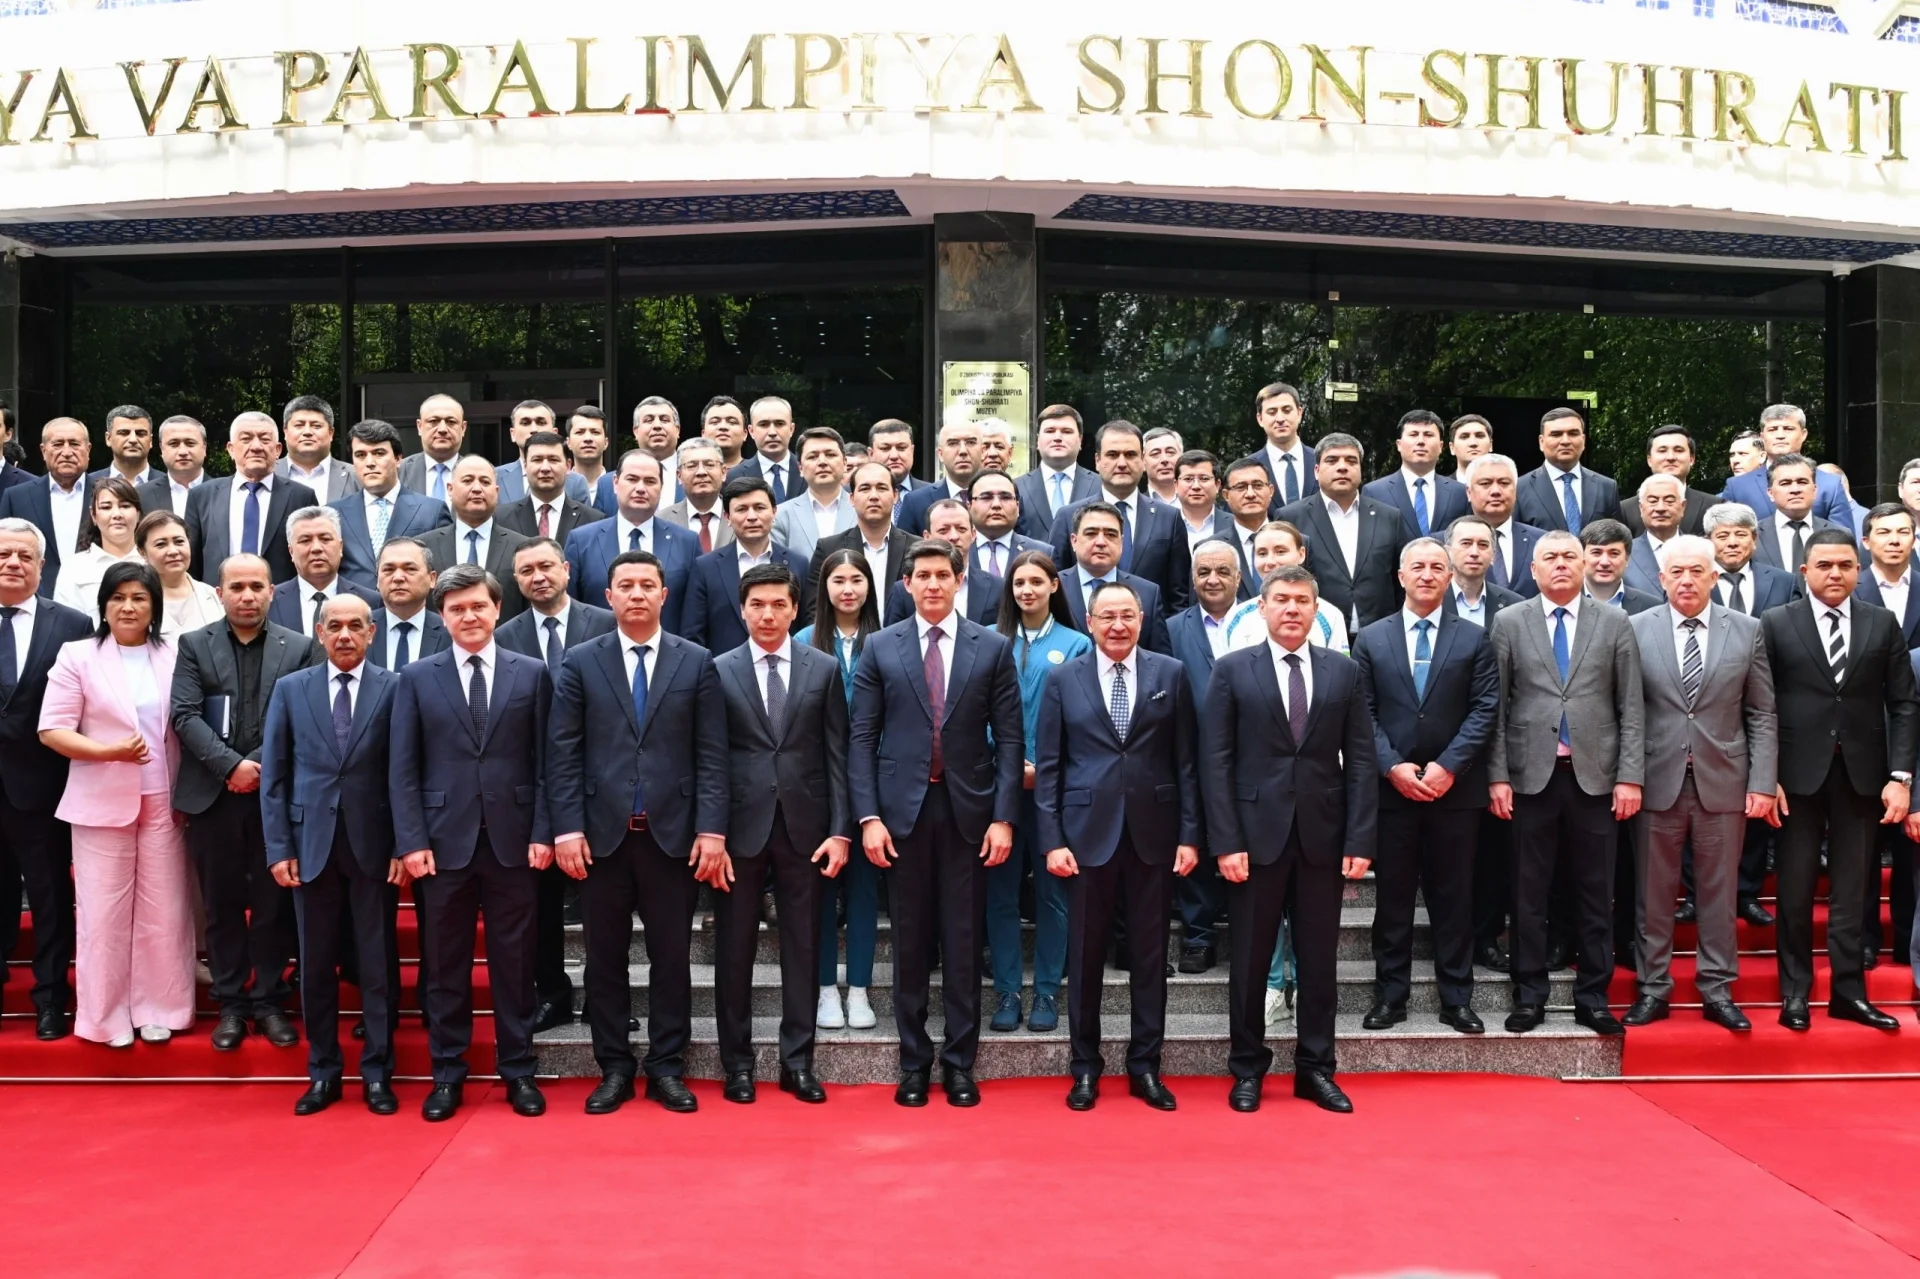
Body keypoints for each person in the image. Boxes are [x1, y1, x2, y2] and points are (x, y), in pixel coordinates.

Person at [548, 550, 727, 1115]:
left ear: (663, 594)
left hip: (672, 839)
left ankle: (667, 1067)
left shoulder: (696, 661)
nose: (637, 594)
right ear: (608, 597)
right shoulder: (581, 661)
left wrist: (712, 830)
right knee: (604, 959)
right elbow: (563, 753)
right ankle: (615, 1067)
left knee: (672, 958)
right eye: (625, 585)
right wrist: (567, 829)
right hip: (602, 839)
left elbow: (712, 754)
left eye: (647, 585)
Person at [851, 539, 1023, 1108]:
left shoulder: (992, 647)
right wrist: (869, 817)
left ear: (958, 580)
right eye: (921, 575)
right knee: (909, 941)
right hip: (900, 814)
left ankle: (959, 1063)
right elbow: (861, 738)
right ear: (906, 584)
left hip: (968, 813)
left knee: (964, 939)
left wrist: (1003, 817)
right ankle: (913, 1062)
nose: (932, 584)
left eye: (942, 575)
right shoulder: (880, 645)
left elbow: (1011, 741)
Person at [1202, 564, 1375, 1113]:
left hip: (1323, 838)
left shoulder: (1343, 672)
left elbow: (1362, 760)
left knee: (1319, 961)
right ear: (1262, 607)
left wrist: (1360, 839)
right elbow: (1215, 762)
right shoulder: (1232, 669)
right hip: (1253, 841)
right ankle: (1247, 1069)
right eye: (1281, 599)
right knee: (1251, 961)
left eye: (1302, 600)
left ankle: (1316, 1069)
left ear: (1316, 609)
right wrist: (1225, 841)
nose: (1292, 609)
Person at [392, 563, 554, 1121]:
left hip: (515, 842)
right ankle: (447, 1074)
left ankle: (519, 1071)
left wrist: (543, 831)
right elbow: (403, 768)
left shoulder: (532, 673)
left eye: (478, 606)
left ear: (497, 609)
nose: (469, 616)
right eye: (457, 609)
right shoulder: (417, 677)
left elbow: (547, 763)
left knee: (515, 964)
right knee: (445, 966)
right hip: (442, 846)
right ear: (441, 616)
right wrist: (411, 840)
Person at [1036, 579, 1198, 1110]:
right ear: (1089, 622)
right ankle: (1084, 1068)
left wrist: (1190, 835)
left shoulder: (1170, 674)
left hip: (1155, 835)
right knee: (1084, 959)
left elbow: (1186, 762)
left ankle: (1145, 1067)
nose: (1118, 625)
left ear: (1142, 620)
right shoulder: (1063, 678)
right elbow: (1051, 766)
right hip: (1085, 838)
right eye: (1107, 616)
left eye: (1127, 615)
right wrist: (1052, 839)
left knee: (1150, 958)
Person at [1487, 529, 1644, 1036]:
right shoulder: (1510, 621)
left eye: (1569, 556)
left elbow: (1631, 706)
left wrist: (1630, 777)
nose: (1560, 564)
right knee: (1527, 893)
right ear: (1533, 570)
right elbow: (1496, 707)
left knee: (1596, 891)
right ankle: (1529, 995)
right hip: (1529, 778)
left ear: (1584, 565)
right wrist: (1497, 776)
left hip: (1596, 779)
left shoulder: (1614, 621)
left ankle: (1593, 997)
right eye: (1549, 557)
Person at [1763, 529, 1918, 1032]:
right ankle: (1794, 992)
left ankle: (1849, 993)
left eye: (1845, 565)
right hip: (1794, 778)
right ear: (1804, 571)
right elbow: (1760, 704)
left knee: (1854, 891)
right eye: (1825, 565)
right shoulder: (1776, 622)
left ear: (1859, 570)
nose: (1835, 573)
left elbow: (1904, 703)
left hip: (1864, 777)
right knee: (1794, 889)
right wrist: (1766, 775)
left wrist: (1900, 777)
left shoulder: (1881, 622)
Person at [1623, 535, 1777, 1033]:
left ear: (1714, 577)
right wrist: (1627, 776)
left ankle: (1717, 988)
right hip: (1655, 781)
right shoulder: (1635, 628)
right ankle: (1653, 987)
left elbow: (1762, 713)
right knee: (1653, 893)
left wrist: (1763, 782)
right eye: (1677, 572)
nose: (1686, 580)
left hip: (1724, 781)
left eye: (1696, 571)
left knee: (1719, 891)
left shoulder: (1747, 630)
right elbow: (1626, 710)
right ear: (1661, 578)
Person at [37, 561, 195, 1047]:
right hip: (100, 800)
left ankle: (160, 1007)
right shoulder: (78, 655)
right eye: (118, 597)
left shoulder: (175, 653)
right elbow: (52, 729)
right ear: (104, 606)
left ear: (155, 606)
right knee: (102, 913)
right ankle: (105, 1016)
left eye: (139, 598)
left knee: (165, 909)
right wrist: (110, 752)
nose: (128, 607)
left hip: (164, 799)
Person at [711, 563, 851, 1103]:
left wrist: (840, 830)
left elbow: (837, 755)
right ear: (742, 610)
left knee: (804, 948)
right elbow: (709, 759)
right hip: (737, 832)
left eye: (778, 604)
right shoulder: (718, 669)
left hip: (806, 829)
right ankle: (737, 1065)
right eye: (757, 604)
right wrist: (712, 834)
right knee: (734, 951)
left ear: (795, 610)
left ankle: (798, 1063)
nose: (767, 614)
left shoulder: (824, 668)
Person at [260, 594, 405, 1115]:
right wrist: (279, 846)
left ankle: (378, 1073)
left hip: (374, 847)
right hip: (309, 847)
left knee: (376, 965)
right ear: (320, 633)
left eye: (355, 626)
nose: (345, 635)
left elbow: (404, 772)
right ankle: (323, 1072)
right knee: (316, 965)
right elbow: (275, 776)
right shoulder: (291, 688)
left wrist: (402, 844)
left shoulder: (395, 688)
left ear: (371, 633)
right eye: (335, 626)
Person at [171, 553, 322, 1051]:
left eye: (257, 586)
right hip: (213, 797)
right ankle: (232, 1004)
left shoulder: (299, 647)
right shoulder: (194, 645)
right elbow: (185, 714)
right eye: (236, 587)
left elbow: (302, 716)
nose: (247, 595)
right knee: (222, 905)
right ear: (219, 593)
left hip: (274, 796)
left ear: (272, 592)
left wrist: (254, 765)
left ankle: (271, 1001)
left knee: (273, 905)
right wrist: (229, 767)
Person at [1353, 537, 1499, 1035]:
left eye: (1438, 567)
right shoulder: (1372, 638)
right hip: (1392, 794)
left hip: (1454, 794)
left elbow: (1485, 709)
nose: (1427, 575)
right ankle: (1390, 997)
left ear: (1450, 576)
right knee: (1392, 901)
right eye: (1417, 567)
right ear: (1400, 576)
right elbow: (1362, 714)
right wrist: (1392, 767)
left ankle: (1456, 999)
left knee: (1453, 900)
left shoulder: (1474, 638)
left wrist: (1449, 766)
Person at [496, 536, 616, 1032]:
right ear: (517, 581)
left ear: (566, 569)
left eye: (546, 566)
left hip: (604, 779)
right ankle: (552, 993)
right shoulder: (504, 636)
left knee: (605, 903)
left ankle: (606, 999)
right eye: (527, 571)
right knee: (542, 902)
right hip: (535, 783)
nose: (538, 577)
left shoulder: (606, 623)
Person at [987, 550, 1091, 1034]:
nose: (1026, 590)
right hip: (999, 789)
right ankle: (1007, 990)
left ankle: (1047, 989)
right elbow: (976, 711)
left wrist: (1044, 768)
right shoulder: (990, 641)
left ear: (1054, 585)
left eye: (1035, 581)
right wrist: (1009, 766)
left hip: (1055, 791)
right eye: (1018, 582)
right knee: (1001, 894)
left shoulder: (1077, 644)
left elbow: (1083, 717)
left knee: (1053, 895)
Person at [0, 518, 94, 1039]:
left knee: (51, 897)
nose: (13, 563)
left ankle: (52, 998)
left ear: (41, 565)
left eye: (24, 555)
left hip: (42, 786)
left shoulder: (73, 625)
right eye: (3, 554)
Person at [800, 548, 883, 1032]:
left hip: (873, 784)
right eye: (838, 580)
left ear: (869, 586)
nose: (848, 589)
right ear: (824, 588)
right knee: (822, 890)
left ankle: (860, 988)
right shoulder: (803, 642)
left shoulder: (888, 641)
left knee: (864, 893)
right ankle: (826, 989)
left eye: (857, 579)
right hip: (818, 784)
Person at [1441, 516, 1527, 973]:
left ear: (1493, 554)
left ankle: (1486, 936)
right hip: (1441, 743)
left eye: (1482, 544)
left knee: (1493, 851)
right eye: (1465, 543)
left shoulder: (1514, 606)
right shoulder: (1427, 598)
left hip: (1497, 741)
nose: (1474, 551)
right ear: (1449, 550)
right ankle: (1447, 937)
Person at [1165, 539, 1239, 974]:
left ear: (1239, 577)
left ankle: (1243, 929)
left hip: (1250, 753)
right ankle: (1198, 937)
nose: (1213, 580)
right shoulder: (1172, 627)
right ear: (1192, 578)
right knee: (1192, 839)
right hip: (1189, 751)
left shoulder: (1258, 621)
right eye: (1203, 572)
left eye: (1222, 571)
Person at [1046, 420, 1193, 616]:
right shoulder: (1068, 516)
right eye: (1113, 455)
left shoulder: (1169, 518)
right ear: (1097, 461)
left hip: (1149, 631)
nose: (1122, 463)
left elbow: (1179, 597)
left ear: (1143, 460)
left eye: (1130, 455)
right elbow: (1054, 587)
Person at [1277, 433, 1407, 631]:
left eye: (1351, 461)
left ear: (1361, 470)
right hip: (1316, 632)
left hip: (1380, 633)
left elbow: (1402, 581)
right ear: (1316, 471)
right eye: (1332, 460)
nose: (1342, 467)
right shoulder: (1291, 518)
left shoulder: (1389, 517)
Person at [565, 450, 701, 635]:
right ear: (615, 483)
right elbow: (571, 611)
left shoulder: (687, 543)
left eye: (650, 481)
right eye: (632, 479)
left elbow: (695, 616)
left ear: (661, 488)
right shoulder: (581, 541)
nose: (640, 488)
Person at [185, 412, 318, 585]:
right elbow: (191, 561)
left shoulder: (302, 497)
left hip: (279, 597)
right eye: (246, 439)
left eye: (265, 439)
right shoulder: (201, 496)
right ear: (231, 449)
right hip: (216, 597)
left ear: (278, 450)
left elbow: (310, 558)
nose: (256, 446)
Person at [685, 476, 804, 653]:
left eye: (759, 508)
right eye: (741, 509)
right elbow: (693, 635)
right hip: (721, 668)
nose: (752, 517)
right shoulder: (705, 568)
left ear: (774, 512)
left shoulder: (798, 564)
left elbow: (806, 628)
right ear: (727, 517)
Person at [332, 419, 452, 591]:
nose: (370, 462)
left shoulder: (432, 511)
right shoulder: (334, 513)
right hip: (353, 605)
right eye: (360, 455)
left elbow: (444, 573)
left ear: (398, 459)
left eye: (379, 453)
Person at [419, 457, 532, 621]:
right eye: (468, 481)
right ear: (450, 489)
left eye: (485, 482)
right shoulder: (424, 548)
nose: (477, 488)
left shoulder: (522, 547)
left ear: (497, 492)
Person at [1223, 520, 1351, 658]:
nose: (1270, 562)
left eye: (1280, 552)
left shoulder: (1330, 616)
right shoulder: (1237, 617)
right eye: (1262, 553)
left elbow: (1339, 668)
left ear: (1301, 554)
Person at [1055, 502, 1172, 653]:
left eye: (1110, 535)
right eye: (1091, 534)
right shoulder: (1053, 588)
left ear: (1121, 543)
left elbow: (1160, 659)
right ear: (1074, 541)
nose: (1101, 542)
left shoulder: (1148, 593)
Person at [1721, 404, 1856, 534]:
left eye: (1788, 428)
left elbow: (1844, 541)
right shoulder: (1738, 487)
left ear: (1803, 434)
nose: (1780, 435)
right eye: (1773, 429)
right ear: (1762, 437)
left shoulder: (1830, 485)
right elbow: (1724, 538)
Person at [807, 459, 911, 619]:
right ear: (851, 498)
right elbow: (815, 611)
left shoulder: (915, 548)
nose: (874, 496)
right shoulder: (828, 548)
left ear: (895, 496)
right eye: (865, 488)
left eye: (882, 488)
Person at [0, 417, 91, 597]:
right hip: (34, 598)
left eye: (74, 444)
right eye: (58, 444)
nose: (67, 452)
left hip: (92, 597)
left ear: (88, 450)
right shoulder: (17, 496)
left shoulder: (107, 495)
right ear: (43, 451)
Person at [883, 498, 1004, 628]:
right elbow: (892, 638)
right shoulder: (902, 591)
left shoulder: (998, 587)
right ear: (927, 537)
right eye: (943, 530)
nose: (954, 536)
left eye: (961, 529)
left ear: (973, 534)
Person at [266, 506, 383, 634]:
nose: (316, 548)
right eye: (305, 540)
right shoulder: (269, 601)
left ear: (340, 547)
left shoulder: (372, 601)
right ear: (291, 551)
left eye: (325, 539)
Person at [1363, 410, 1471, 540]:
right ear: (1399, 445)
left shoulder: (1460, 492)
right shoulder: (1375, 492)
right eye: (1413, 434)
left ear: (1441, 446)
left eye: (1428, 435)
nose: (1420, 441)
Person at [52, 476, 145, 623]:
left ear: (138, 514)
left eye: (125, 506)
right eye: (106, 507)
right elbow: (66, 623)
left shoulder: (154, 562)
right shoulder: (73, 567)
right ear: (93, 515)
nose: (117, 514)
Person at [1514, 407, 1622, 534]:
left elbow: (1617, 540)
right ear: (1541, 442)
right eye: (1556, 434)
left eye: (1573, 433)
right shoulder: (1519, 489)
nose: (1565, 441)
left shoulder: (1607, 488)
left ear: (1583, 440)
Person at [496, 430, 604, 544]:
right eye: (537, 460)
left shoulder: (593, 520)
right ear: (525, 466)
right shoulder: (501, 518)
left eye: (553, 460)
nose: (545, 468)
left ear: (568, 466)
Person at [769, 427, 855, 569]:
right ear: (800, 468)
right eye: (812, 456)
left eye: (830, 454)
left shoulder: (862, 509)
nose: (822, 462)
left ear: (845, 463)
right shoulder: (781, 516)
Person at [1464, 453, 1544, 598]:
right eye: (1485, 483)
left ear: (1516, 491)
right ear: (1469, 492)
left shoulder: (1541, 541)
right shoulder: (1445, 543)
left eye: (1504, 483)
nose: (1495, 491)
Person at [137, 511, 222, 644]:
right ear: (142, 552)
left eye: (179, 542)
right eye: (161, 544)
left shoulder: (213, 596)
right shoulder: (134, 601)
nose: (173, 551)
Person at [1015, 405, 1098, 538]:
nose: (1058, 437)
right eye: (1050, 431)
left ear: (1080, 440)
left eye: (1066, 431)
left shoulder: (1101, 486)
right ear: (1037, 440)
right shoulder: (1016, 488)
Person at [1705, 501, 1798, 621]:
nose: (1732, 543)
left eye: (1741, 535)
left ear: (1754, 539)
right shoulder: (1693, 581)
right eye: (1722, 536)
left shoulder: (1784, 582)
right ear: (1708, 541)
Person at [367, 537, 448, 671]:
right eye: (388, 570)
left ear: (432, 578)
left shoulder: (450, 632)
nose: (398, 577)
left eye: (410, 569)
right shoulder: (358, 630)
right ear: (377, 580)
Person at [1752, 453, 1839, 574]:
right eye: (1785, 483)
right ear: (1770, 493)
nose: (1795, 490)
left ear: (1815, 490)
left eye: (1802, 482)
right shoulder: (1752, 536)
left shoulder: (1839, 534)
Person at [1621, 426, 1716, 537]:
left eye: (1678, 450)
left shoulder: (1713, 505)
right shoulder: (1625, 510)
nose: (1670, 457)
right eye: (1662, 451)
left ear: (1691, 459)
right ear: (1649, 460)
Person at [899, 419, 986, 535]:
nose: (963, 451)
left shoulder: (1003, 498)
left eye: (970, 442)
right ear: (940, 454)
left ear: (983, 451)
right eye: (953, 443)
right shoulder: (916, 502)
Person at [495, 401, 591, 506]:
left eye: (541, 423)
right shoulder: (495, 477)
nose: (534, 429)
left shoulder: (576, 482)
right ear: (513, 434)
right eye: (525, 423)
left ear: (554, 432)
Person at [1854, 502, 1920, 648]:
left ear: (1914, 541)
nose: (1894, 541)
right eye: (1884, 532)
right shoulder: (1848, 591)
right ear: (1866, 542)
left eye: (1903, 532)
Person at [276, 395, 361, 503]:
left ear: (331, 433)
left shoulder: (356, 475)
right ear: (285, 432)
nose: (307, 432)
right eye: (299, 425)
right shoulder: (265, 473)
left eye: (316, 426)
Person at [967, 469, 1048, 580]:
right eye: (986, 497)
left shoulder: (1043, 552)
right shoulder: (956, 551)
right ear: (969, 506)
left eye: (1005, 497)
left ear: (1018, 506)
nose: (996, 505)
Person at [1251, 382, 1317, 513]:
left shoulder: (1322, 461)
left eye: (1287, 410)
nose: (1280, 418)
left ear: (1299, 413)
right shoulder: (1247, 468)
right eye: (1272, 412)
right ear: (1260, 419)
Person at [658, 437, 730, 551]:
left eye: (709, 464)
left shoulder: (741, 516)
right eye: (691, 466)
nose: (701, 472)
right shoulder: (661, 520)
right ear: (679, 476)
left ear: (723, 472)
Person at [728, 395, 802, 502]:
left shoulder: (810, 471)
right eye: (763, 424)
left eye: (779, 424)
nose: (772, 432)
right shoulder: (733, 476)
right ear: (751, 431)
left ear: (791, 429)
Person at [1625, 473, 1689, 597]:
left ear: (1683, 507)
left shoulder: (1702, 551)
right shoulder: (1625, 553)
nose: (1660, 508)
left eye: (1669, 501)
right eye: (1653, 501)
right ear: (1641, 508)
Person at [1582, 519, 1663, 614]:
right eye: (1596, 553)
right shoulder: (1567, 600)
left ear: (1627, 559)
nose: (1604, 562)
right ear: (1582, 557)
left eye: (1614, 553)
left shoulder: (1652, 607)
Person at [397, 394, 469, 502]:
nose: (442, 429)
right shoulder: (397, 472)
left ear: (463, 428)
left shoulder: (481, 474)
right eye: (433, 421)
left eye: (451, 422)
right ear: (419, 426)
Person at [1218, 456, 1275, 591]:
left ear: (1271, 491)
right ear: (1226, 495)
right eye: (1241, 487)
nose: (1250, 494)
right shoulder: (1212, 546)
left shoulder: (1298, 542)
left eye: (1258, 485)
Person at [138, 415, 210, 518]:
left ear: (204, 448)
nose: (183, 452)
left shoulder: (225, 494)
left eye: (190, 443)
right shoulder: (141, 495)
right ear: (162, 450)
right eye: (174, 444)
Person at [1173, 449, 1235, 554]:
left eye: (1204, 479)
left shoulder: (1236, 525)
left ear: (1217, 485)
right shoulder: (1163, 524)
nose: (1196, 486)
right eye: (1188, 479)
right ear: (1176, 485)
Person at [92, 405, 158, 489]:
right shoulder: (89, 484)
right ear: (108, 438)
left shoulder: (169, 485)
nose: (133, 440)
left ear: (151, 440)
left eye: (140, 433)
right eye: (124, 433)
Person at [565, 405, 616, 506]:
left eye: (595, 432)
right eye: (580, 432)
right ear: (568, 442)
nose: (588, 438)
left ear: (606, 443)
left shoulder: (619, 486)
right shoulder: (557, 488)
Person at [1142, 426, 1184, 505]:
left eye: (1170, 452)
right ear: (1142, 462)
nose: (1164, 459)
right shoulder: (1134, 507)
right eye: (1155, 454)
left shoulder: (1204, 504)